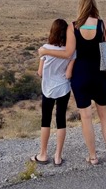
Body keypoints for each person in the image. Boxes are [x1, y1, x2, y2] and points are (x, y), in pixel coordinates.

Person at [38, 0, 106, 165]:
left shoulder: (73, 27)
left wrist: (46, 52)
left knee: (86, 117)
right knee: (104, 116)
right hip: (99, 76)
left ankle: (93, 157)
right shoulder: (103, 25)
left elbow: (68, 53)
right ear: (94, 6)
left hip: (80, 77)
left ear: (81, 7)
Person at [31, 19, 75, 167]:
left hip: (48, 89)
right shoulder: (71, 51)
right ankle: (58, 156)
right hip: (63, 88)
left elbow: (40, 72)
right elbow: (69, 74)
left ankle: (43, 154)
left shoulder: (45, 48)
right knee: (61, 120)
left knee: (46, 120)